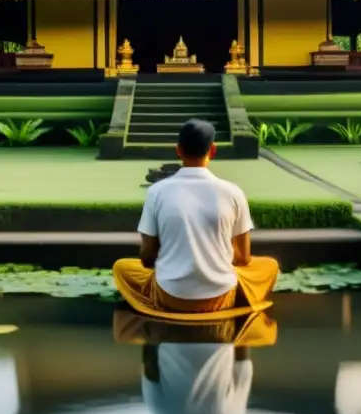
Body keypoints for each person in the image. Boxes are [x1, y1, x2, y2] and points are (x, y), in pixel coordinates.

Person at [112, 118, 279, 317]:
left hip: (170, 296)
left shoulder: (156, 192)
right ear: (213, 150)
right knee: (269, 266)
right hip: (221, 296)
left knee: (122, 267)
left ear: (179, 151)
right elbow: (243, 257)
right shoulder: (233, 192)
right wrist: (215, 253)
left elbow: (147, 258)